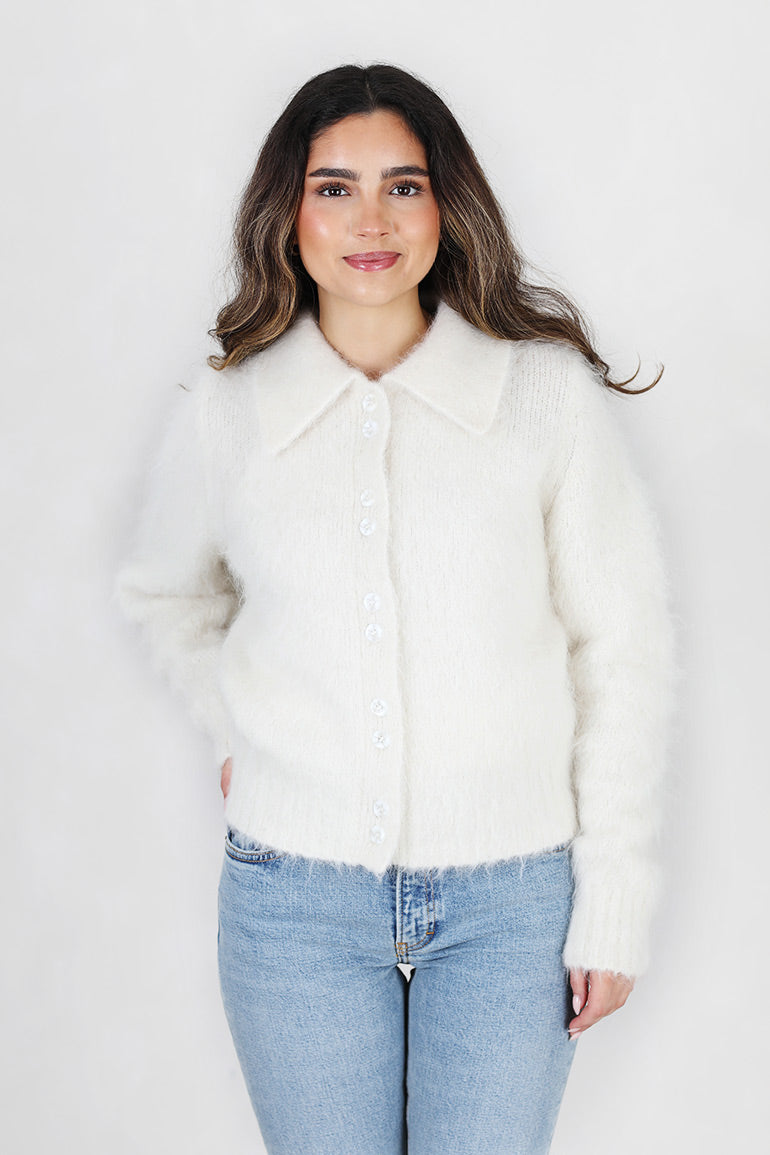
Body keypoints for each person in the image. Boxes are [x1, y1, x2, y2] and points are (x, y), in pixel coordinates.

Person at [117, 63, 675, 1155]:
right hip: (293, 907)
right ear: (287, 214)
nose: (369, 220)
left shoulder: (541, 397)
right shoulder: (229, 411)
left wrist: (613, 897)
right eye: (333, 188)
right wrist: (233, 727)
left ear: (445, 205)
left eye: (402, 186)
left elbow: (623, 650)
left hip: (512, 907)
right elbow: (166, 592)